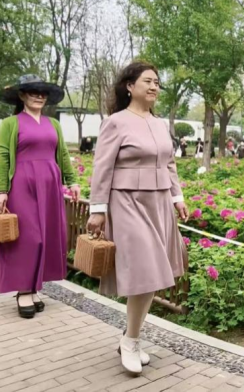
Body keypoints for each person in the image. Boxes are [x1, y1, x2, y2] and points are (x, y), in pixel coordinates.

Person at [86, 61, 189, 375]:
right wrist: (98, 209)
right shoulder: (116, 122)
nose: (155, 86)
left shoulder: (159, 124)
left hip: (158, 202)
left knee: (155, 273)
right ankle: (130, 340)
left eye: (158, 82)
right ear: (129, 86)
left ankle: (130, 337)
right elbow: (102, 167)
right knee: (144, 270)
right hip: (127, 201)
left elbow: (169, 164)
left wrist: (177, 196)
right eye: (148, 81)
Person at [0, 74, 81, 319]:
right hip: (22, 184)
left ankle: (34, 286)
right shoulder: (11, 123)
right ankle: (23, 290)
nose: (39, 96)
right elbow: (4, 160)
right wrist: (1, 191)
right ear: (22, 96)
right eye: (33, 92)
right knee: (28, 237)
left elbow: (62, 154)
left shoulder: (53, 124)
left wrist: (72, 181)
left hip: (50, 184)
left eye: (43, 93)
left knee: (46, 236)